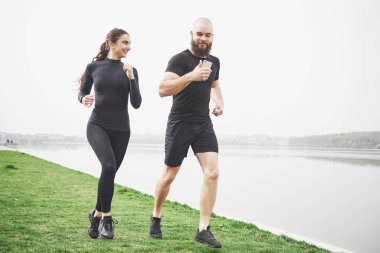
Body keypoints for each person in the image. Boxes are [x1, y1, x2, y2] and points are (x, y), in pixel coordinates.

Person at [149, 17, 224, 248]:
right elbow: (162, 89)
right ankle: (156, 216)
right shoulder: (180, 59)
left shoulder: (214, 61)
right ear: (191, 34)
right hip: (180, 123)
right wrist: (191, 76)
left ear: (212, 37)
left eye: (207, 35)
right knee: (169, 175)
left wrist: (219, 103)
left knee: (212, 174)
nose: (203, 38)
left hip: (203, 123)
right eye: (199, 34)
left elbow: (214, 84)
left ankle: (203, 229)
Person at [78, 28, 142, 239]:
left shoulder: (130, 70)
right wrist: (83, 98)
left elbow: (136, 104)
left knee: (109, 173)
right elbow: (82, 91)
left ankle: (95, 216)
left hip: (122, 130)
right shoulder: (93, 67)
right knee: (108, 166)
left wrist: (132, 78)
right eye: (125, 42)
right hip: (97, 125)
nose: (129, 46)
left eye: (130, 43)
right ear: (111, 43)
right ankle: (107, 219)